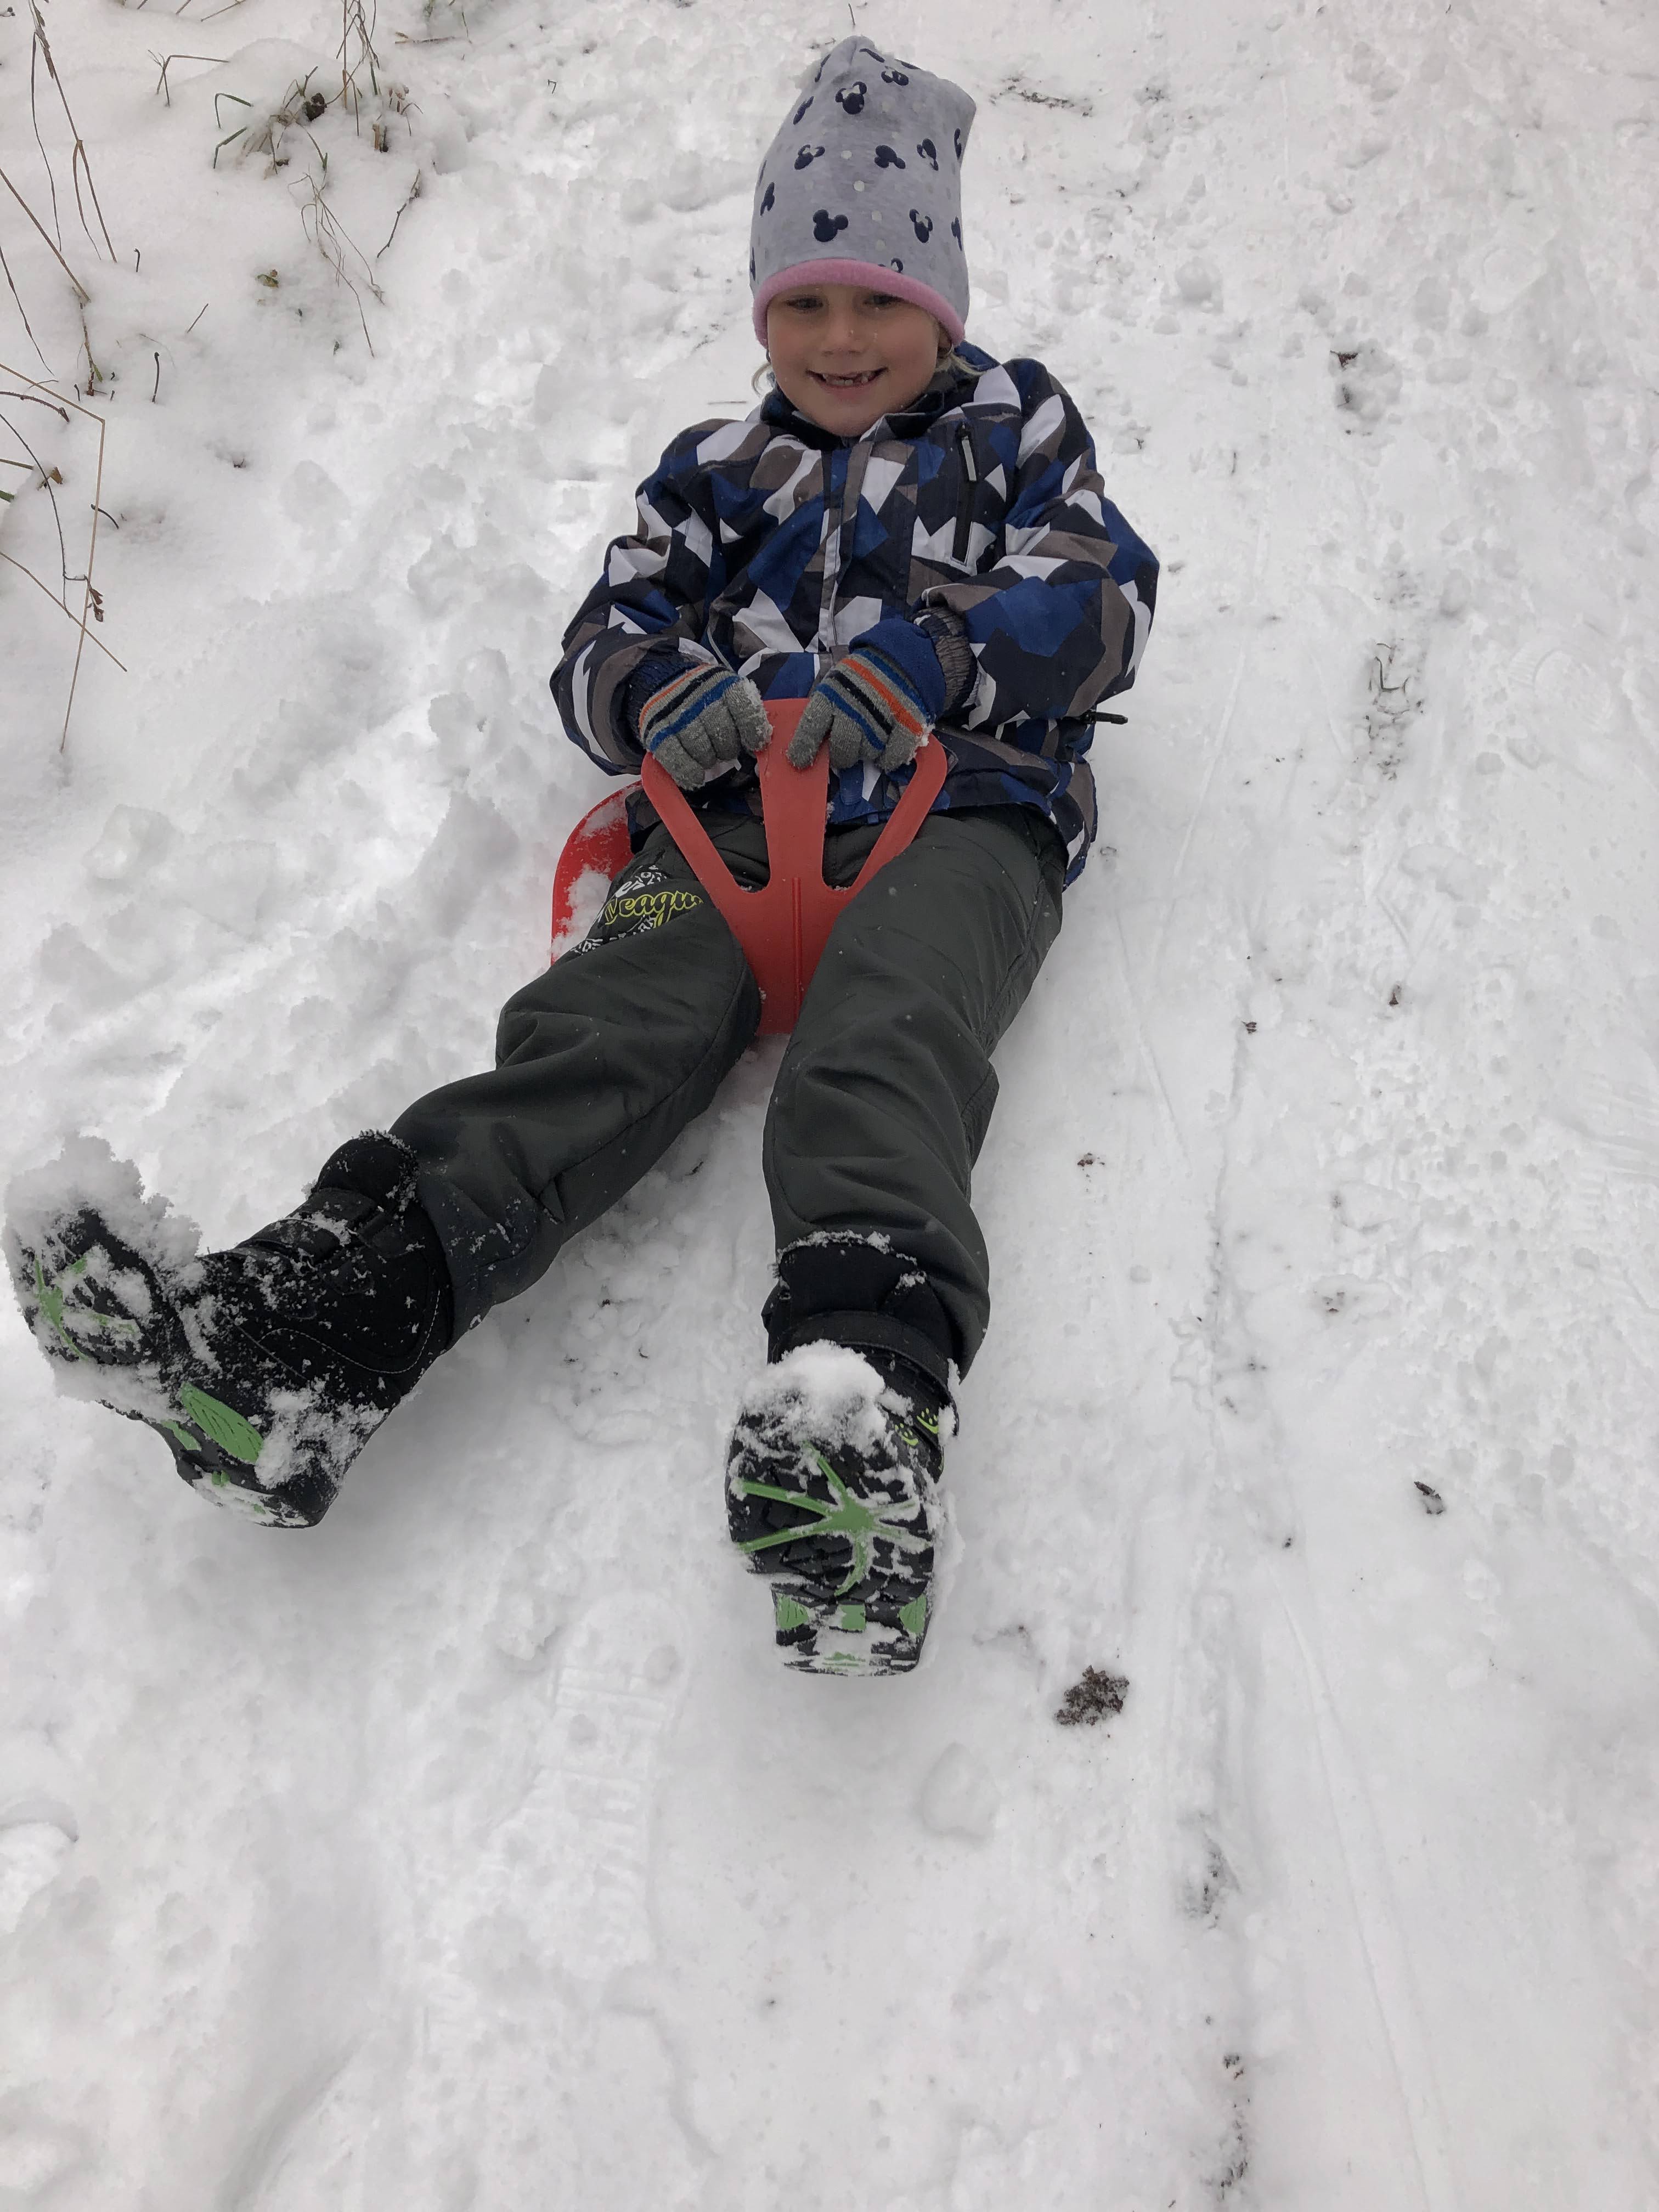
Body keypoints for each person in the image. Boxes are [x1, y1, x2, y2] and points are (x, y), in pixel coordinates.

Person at [5, 38, 1157, 1677]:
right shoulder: (715, 475)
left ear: (943, 303)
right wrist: (657, 690)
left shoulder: (1014, 429)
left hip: (956, 809)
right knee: (598, 1033)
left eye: (879, 303)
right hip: (735, 822)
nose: (841, 339)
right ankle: (302, 1342)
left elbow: (1105, 600)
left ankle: (863, 1422)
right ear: (762, 307)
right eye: (805, 302)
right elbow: (600, 639)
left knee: (883, 1042)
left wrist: (936, 656)